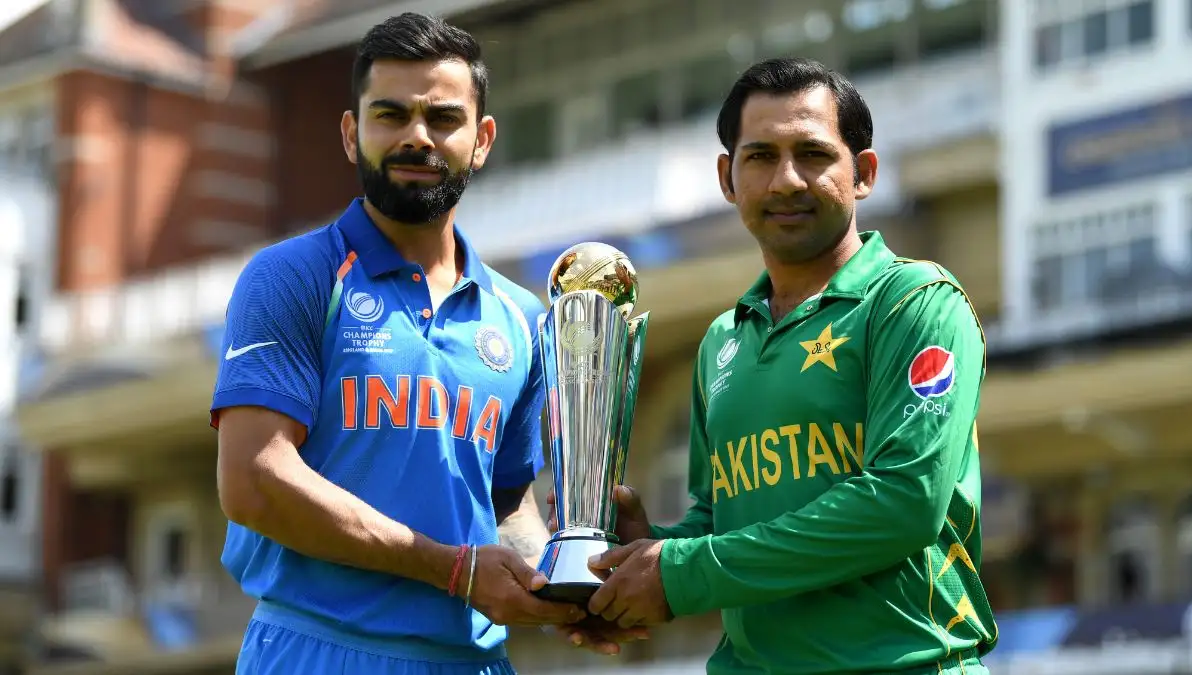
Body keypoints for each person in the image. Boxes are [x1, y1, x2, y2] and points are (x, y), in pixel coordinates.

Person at [550, 57, 998, 674]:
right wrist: (641, 552)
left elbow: (904, 502)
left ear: (863, 173)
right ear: (727, 179)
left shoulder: (913, 303)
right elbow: (721, 516)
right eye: (760, 157)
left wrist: (680, 573)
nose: (786, 181)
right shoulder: (722, 341)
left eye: (812, 154)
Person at [211, 12, 584, 675]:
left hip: (473, 660)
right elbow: (253, 481)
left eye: (442, 118)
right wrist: (452, 568)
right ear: (353, 135)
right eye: (391, 115)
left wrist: (563, 582)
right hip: (317, 649)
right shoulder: (291, 278)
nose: (417, 136)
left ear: (482, 139)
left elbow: (503, 504)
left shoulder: (523, 317)